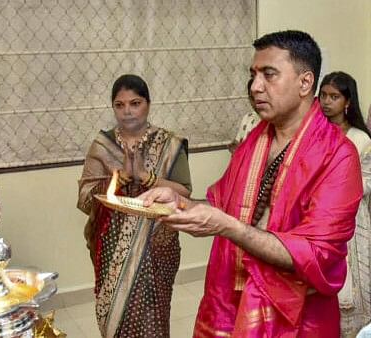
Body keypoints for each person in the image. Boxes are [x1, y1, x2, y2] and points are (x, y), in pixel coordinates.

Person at [141, 30, 362, 336]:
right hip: (230, 302)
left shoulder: (338, 154)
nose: (255, 87)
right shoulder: (256, 141)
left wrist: (228, 227)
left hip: (297, 318)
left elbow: (316, 253)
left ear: (305, 82)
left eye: (269, 74)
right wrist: (182, 203)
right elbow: (223, 208)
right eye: (253, 75)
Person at [77, 74, 192, 337]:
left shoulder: (170, 144)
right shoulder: (102, 144)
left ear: (148, 105)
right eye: (120, 105)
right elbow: (85, 196)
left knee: (153, 318)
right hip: (110, 246)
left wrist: (146, 176)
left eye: (135, 103)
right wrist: (118, 179)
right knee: (113, 318)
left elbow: (184, 191)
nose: (127, 111)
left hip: (157, 244)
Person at [320, 71, 371, 335]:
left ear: (348, 101)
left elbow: (367, 182)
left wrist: (334, 186)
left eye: (335, 96)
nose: (327, 102)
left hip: (351, 220)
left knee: (352, 286)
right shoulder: (312, 134)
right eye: (324, 96)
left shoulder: (360, 139)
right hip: (317, 219)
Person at [228, 78, 260, 153]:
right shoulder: (248, 118)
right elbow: (238, 141)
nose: (256, 103)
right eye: (252, 98)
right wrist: (235, 147)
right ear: (249, 99)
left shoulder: (274, 123)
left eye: (259, 97)